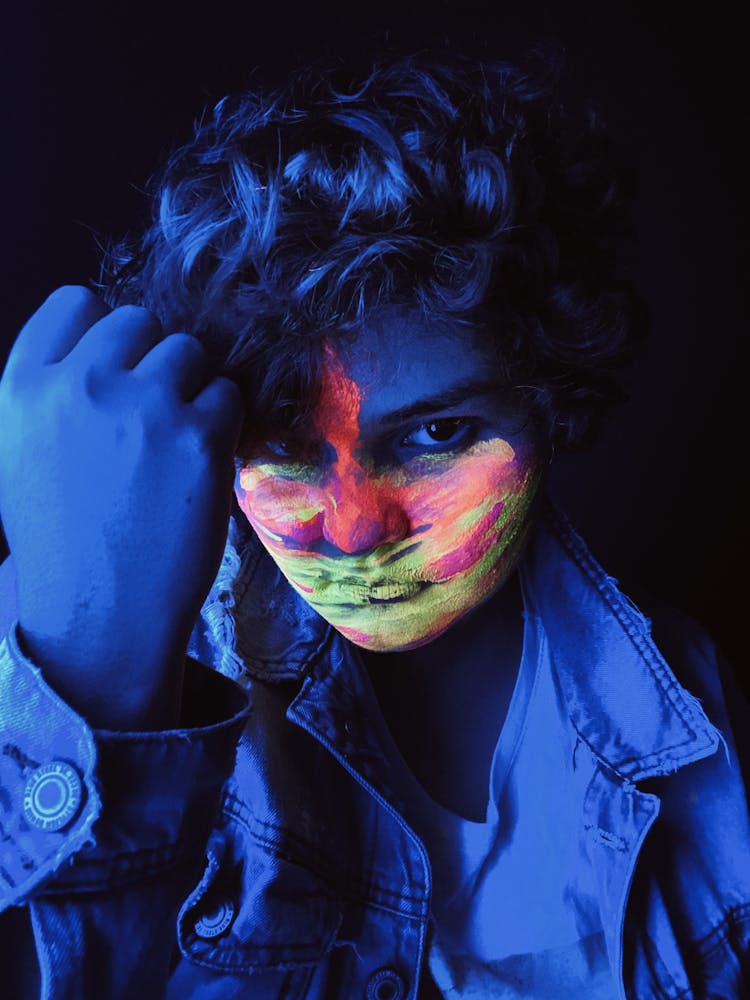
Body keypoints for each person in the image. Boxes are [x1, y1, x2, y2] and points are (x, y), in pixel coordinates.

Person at [0, 49, 748, 999]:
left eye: (438, 433)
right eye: (286, 443)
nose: (354, 530)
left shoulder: (693, 713)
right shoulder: (49, 663)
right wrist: (93, 669)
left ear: (549, 408)